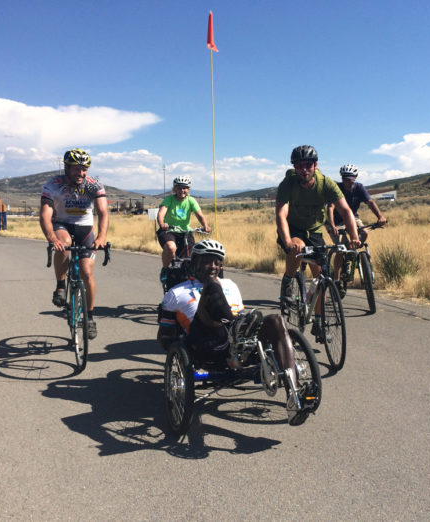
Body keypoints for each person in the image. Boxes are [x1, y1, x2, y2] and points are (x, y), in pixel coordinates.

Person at [157, 239, 317, 425]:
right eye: (207, 260)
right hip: (206, 343)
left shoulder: (230, 285)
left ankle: (294, 397)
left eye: (217, 262)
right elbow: (164, 337)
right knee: (212, 286)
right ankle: (234, 327)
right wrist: (177, 349)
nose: (213, 266)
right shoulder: (176, 293)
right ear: (195, 262)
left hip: (241, 345)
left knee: (276, 320)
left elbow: (243, 317)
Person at [275, 145, 361, 336]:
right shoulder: (288, 184)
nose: (304, 169)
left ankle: (319, 322)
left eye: (308, 165)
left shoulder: (326, 183)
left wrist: (354, 237)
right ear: (295, 167)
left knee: (321, 277)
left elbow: (345, 210)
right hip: (293, 228)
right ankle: (288, 279)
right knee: (298, 247)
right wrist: (287, 241)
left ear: (315, 165)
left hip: (314, 230)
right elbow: (281, 213)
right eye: (299, 166)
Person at [39, 148, 109, 340]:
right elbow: (45, 214)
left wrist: (101, 237)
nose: (81, 173)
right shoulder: (53, 185)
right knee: (64, 243)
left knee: (86, 272)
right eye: (77, 169)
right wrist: (52, 238)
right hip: (62, 224)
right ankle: (61, 286)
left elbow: (103, 212)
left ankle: (90, 318)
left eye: (84, 169)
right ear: (67, 168)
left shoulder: (94, 185)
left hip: (84, 228)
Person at [326, 164, 387, 293]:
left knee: (364, 232)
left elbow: (370, 202)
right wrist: (332, 225)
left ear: (355, 177)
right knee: (341, 248)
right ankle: (336, 280)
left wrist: (380, 217)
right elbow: (330, 207)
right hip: (336, 222)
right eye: (344, 178)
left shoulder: (359, 187)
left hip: (353, 218)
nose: (347, 181)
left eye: (350, 178)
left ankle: (352, 253)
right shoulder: (337, 188)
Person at [157, 175, 211, 283]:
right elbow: (161, 213)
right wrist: (162, 223)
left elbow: (200, 215)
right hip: (169, 230)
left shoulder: (191, 201)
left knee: (189, 258)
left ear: (188, 189)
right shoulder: (169, 199)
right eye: (179, 188)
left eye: (185, 188)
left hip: (185, 232)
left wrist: (205, 225)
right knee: (171, 247)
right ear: (175, 189)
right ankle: (165, 269)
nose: (182, 190)